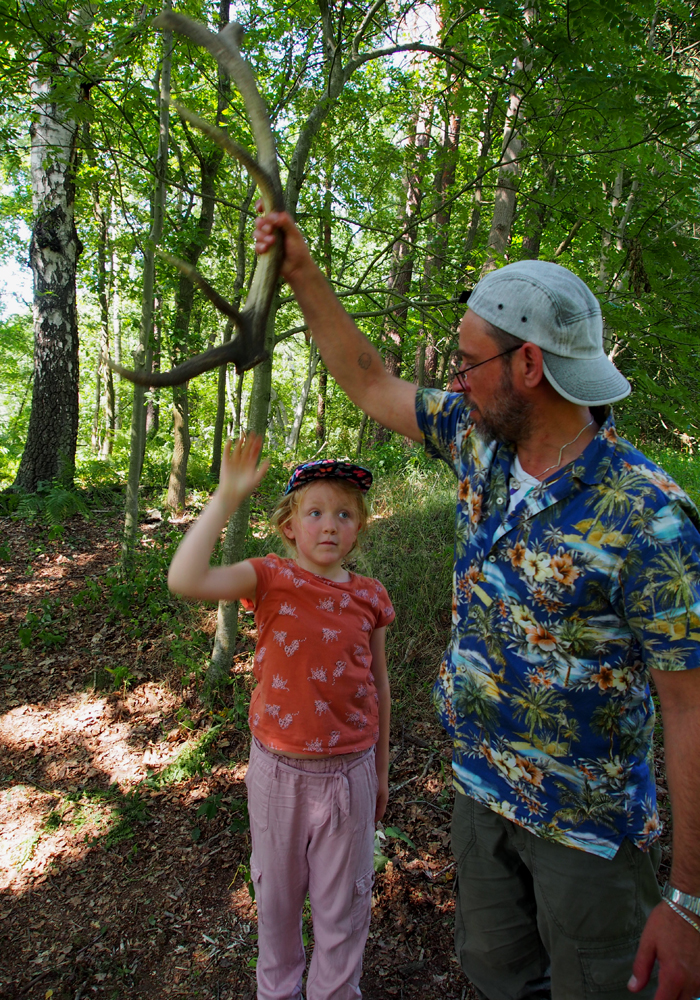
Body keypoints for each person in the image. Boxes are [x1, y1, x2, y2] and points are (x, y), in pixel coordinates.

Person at [254, 210, 700, 1000]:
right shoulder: (476, 438)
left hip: (587, 838)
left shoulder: (647, 515)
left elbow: (691, 710)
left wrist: (691, 902)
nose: (453, 377)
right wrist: (301, 270)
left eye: (467, 360)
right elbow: (369, 378)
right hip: (479, 794)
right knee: (497, 979)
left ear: (529, 363)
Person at [168, 436, 394, 1000]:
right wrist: (225, 496)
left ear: (359, 528)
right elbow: (185, 579)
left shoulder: (370, 596)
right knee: (276, 906)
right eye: (314, 512)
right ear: (290, 525)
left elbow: (379, 688)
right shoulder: (268, 577)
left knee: (343, 913)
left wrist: (382, 771)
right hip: (278, 775)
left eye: (344, 514)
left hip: (351, 775)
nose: (329, 525)